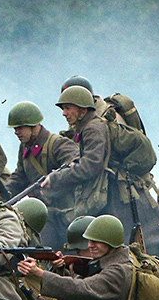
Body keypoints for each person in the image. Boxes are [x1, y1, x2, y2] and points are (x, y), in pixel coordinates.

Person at [35, 86, 110, 240]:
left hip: (108, 193)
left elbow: (90, 166)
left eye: (68, 108)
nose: (64, 113)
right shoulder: (86, 127)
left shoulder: (93, 128)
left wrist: (56, 178)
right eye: (63, 109)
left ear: (83, 110)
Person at [2, 101, 79, 245]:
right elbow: (20, 175)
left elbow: (75, 165)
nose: (16, 132)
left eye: (19, 128)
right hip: (43, 216)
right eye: (15, 128)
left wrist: (53, 179)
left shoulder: (58, 144)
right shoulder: (25, 146)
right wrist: (4, 194)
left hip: (66, 215)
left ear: (32, 125)